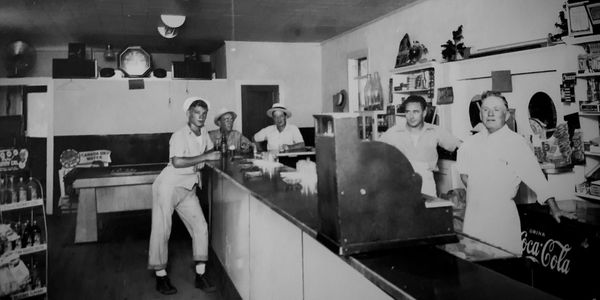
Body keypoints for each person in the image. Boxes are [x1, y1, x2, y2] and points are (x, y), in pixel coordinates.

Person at [456, 91, 574, 254]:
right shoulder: (469, 144)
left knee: (503, 269)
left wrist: (555, 208)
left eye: (496, 109)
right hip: (474, 217)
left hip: (501, 218)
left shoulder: (516, 143)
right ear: (480, 113)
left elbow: (536, 178)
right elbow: (464, 174)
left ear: (507, 115)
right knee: (476, 269)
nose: (490, 114)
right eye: (485, 109)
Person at [148, 96, 221, 295]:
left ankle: (200, 274)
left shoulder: (204, 132)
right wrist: (206, 156)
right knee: (162, 229)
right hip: (169, 185)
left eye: (204, 113)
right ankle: (161, 276)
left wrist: (215, 153)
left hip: (189, 187)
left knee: (201, 227)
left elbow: (210, 150)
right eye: (197, 112)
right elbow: (177, 161)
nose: (201, 117)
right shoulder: (179, 135)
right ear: (188, 113)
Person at [380, 95, 461, 196]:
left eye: (415, 112)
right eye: (408, 111)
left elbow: (461, 146)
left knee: (428, 211)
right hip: (401, 184)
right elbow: (375, 150)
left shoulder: (435, 131)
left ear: (424, 112)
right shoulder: (394, 132)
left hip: (426, 185)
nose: (411, 116)